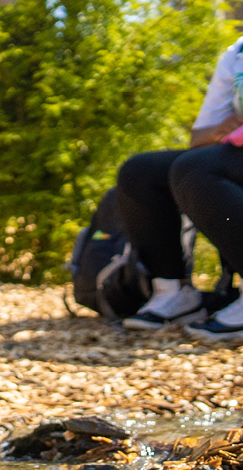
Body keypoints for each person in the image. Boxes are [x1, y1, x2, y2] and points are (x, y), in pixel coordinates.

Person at [116, 36, 243, 340]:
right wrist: (232, 125)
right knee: (141, 171)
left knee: (197, 168)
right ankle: (174, 292)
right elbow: (199, 138)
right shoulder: (237, 52)